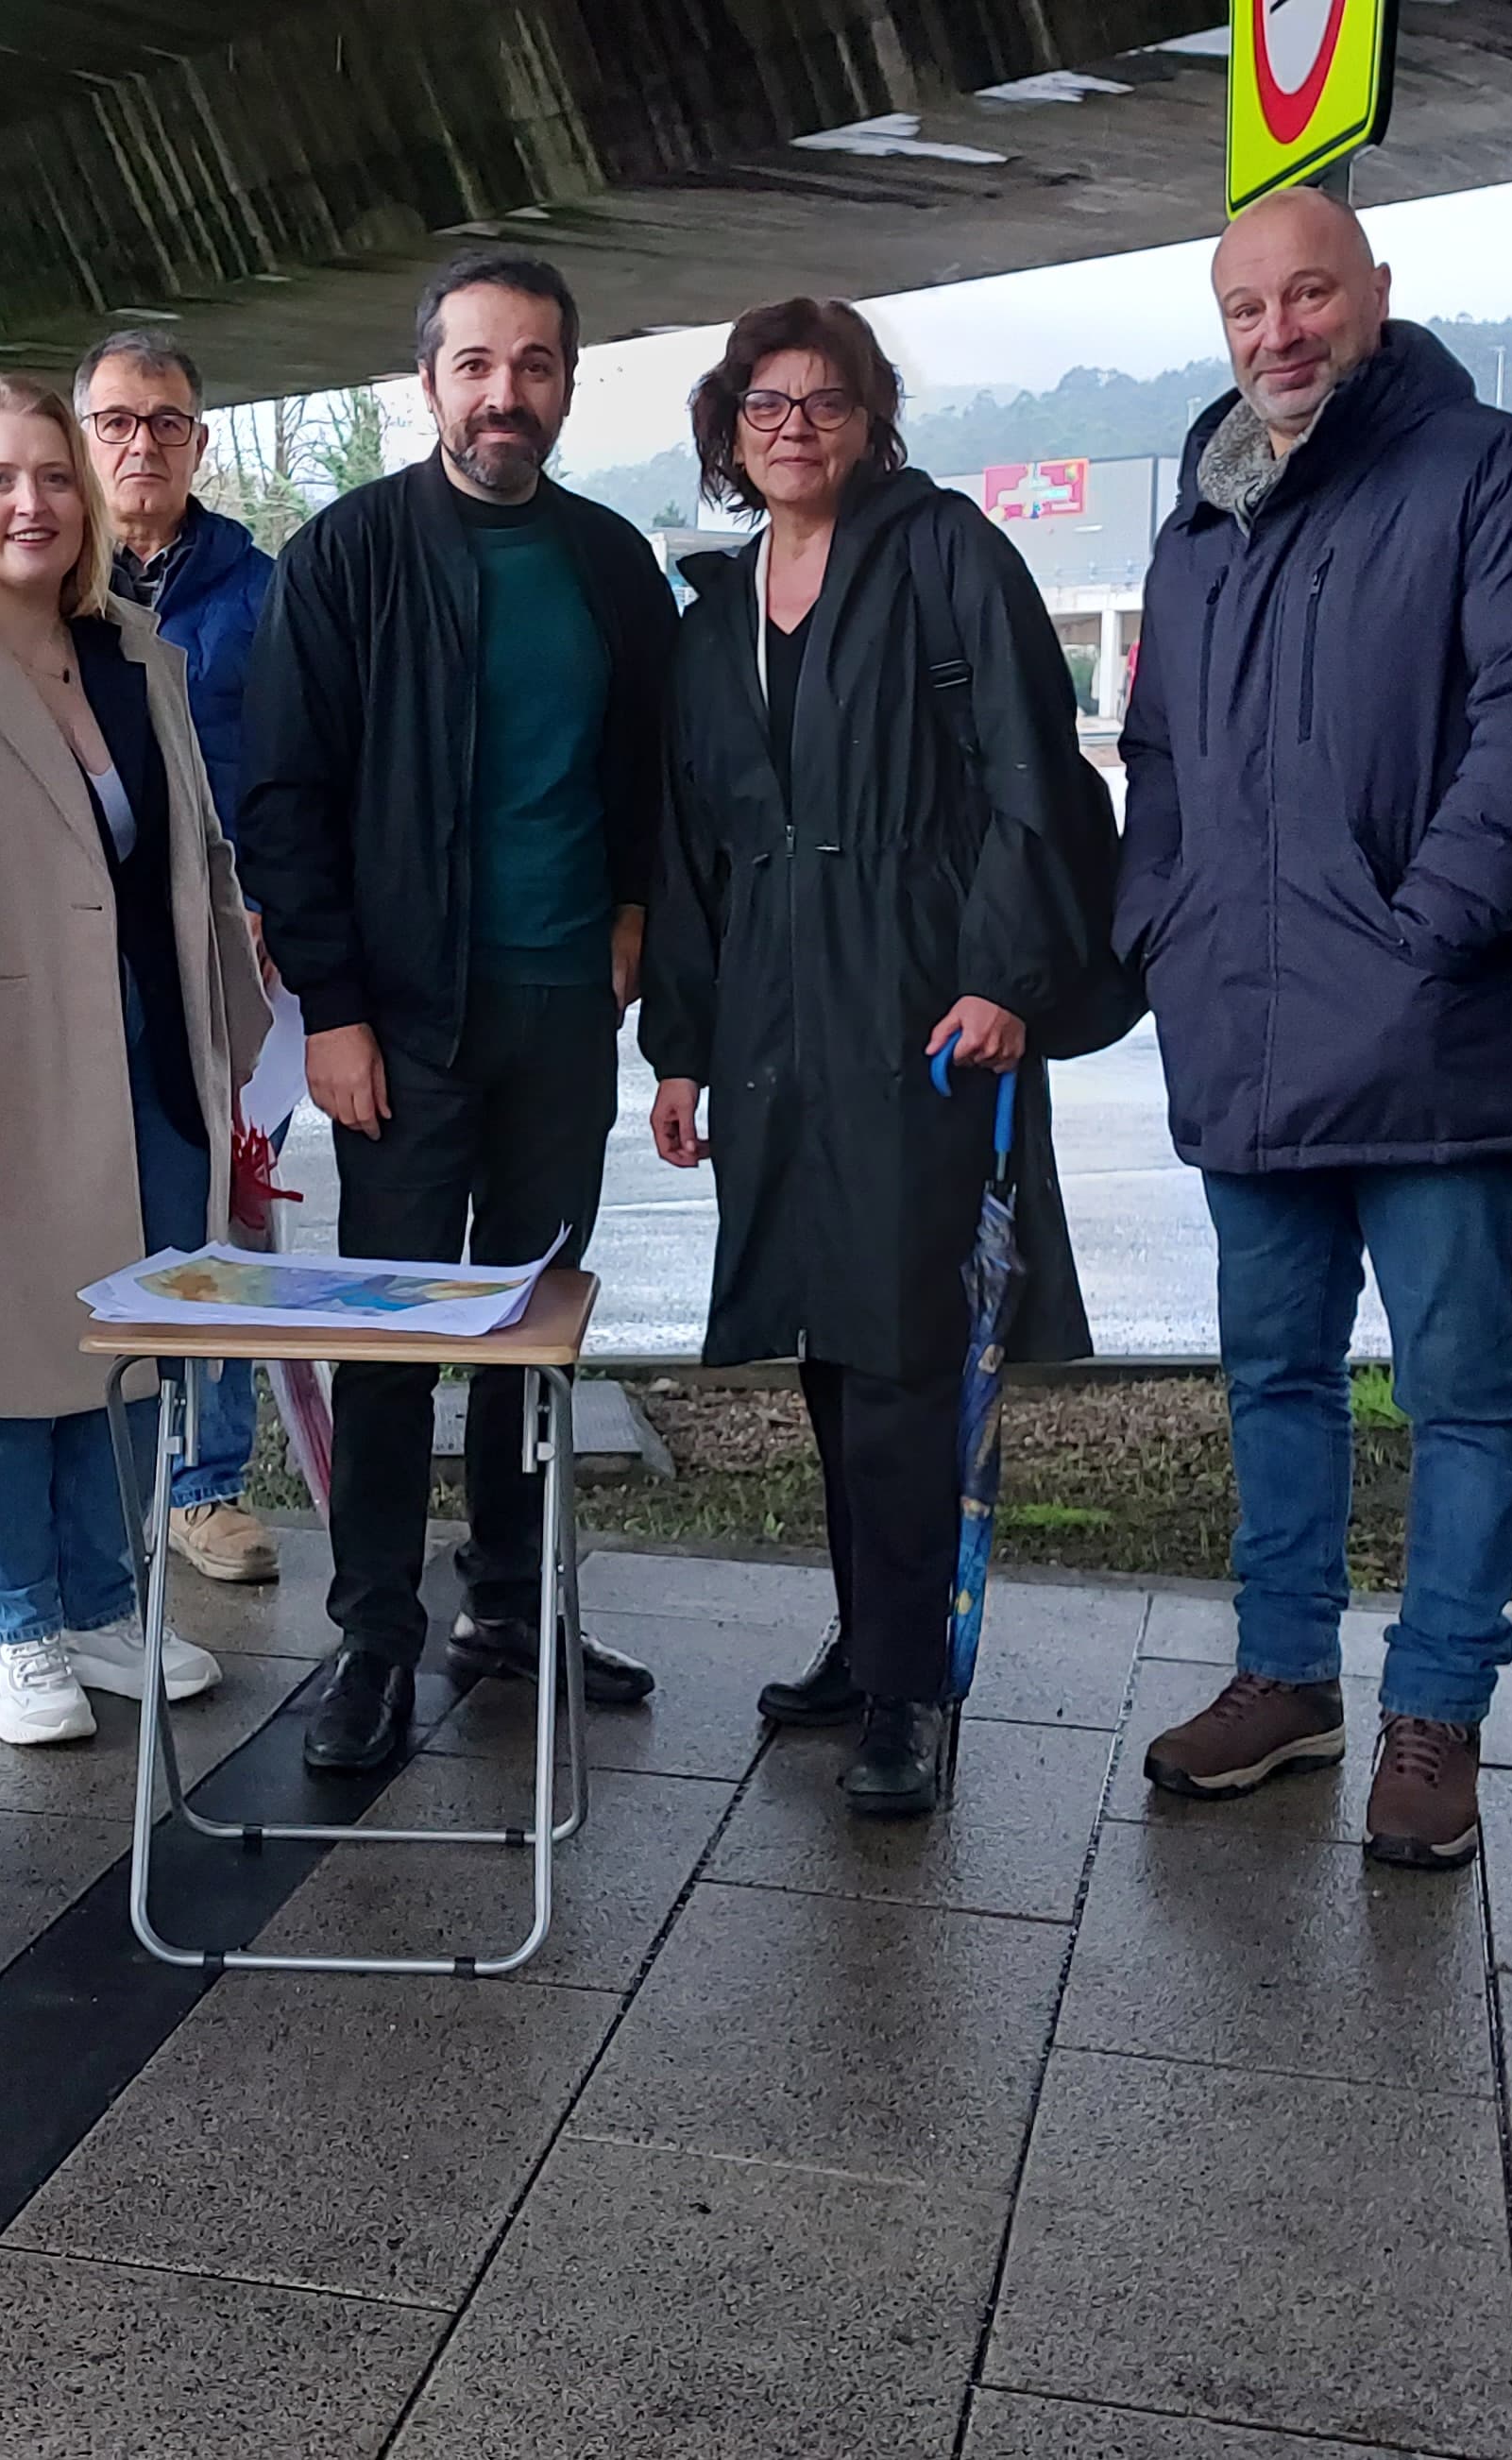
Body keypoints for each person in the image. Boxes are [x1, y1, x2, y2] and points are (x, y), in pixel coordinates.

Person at [1118, 187, 1512, 1870]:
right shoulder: (1204, 513)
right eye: (1246, 307)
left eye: (1308, 294)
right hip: (1242, 1027)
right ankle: (1285, 1675)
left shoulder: (1487, 475)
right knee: (1275, 1377)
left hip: (1429, 1028)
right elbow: (1160, 756)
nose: (1279, 332)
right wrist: (1156, 923)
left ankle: (1437, 1715)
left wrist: (1432, 930)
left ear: (1374, 292)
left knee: (1461, 1389)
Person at [643, 298, 1122, 1820]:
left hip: (918, 997)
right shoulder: (715, 617)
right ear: (728, 428)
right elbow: (694, 846)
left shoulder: (943, 554)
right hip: (776, 1009)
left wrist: (1003, 977)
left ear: (873, 417)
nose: (795, 426)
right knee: (828, 1338)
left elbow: (1028, 774)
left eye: (827, 401)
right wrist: (681, 1048)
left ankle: (914, 1687)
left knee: (912, 1344)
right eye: (765, 404)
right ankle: (866, 1639)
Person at [234, 247, 681, 1772]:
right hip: (404, 1024)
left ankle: (512, 1602)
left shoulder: (614, 564)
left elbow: (652, 782)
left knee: (531, 1326)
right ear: (428, 383)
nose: (507, 393)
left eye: (536, 364)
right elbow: (285, 801)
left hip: (563, 1010)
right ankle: (372, 1638)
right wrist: (338, 1013)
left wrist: (630, 915)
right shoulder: (349, 556)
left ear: (565, 381)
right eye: (477, 364)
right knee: (393, 1341)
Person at [0, 375, 272, 1745]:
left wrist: (236, 1037)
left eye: (52, 477)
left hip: (150, 1059)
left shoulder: (133, 652)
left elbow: (191, 857)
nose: (30, 503)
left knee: (128, 1339)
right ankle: (13, 1626)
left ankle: (100, 1602)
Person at [76, 327, 283, 1592]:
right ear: (81, 435)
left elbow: (302, 770)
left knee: (221, 1215)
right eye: (115, 421)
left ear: (198, 442)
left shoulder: (262, 597)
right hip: (71, 962)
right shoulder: (39, 585)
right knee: (83, 1219)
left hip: (220, 957)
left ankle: (207, 1484)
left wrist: (268, 905)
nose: (140, 442)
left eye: (165, 422)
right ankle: (93, 1484)